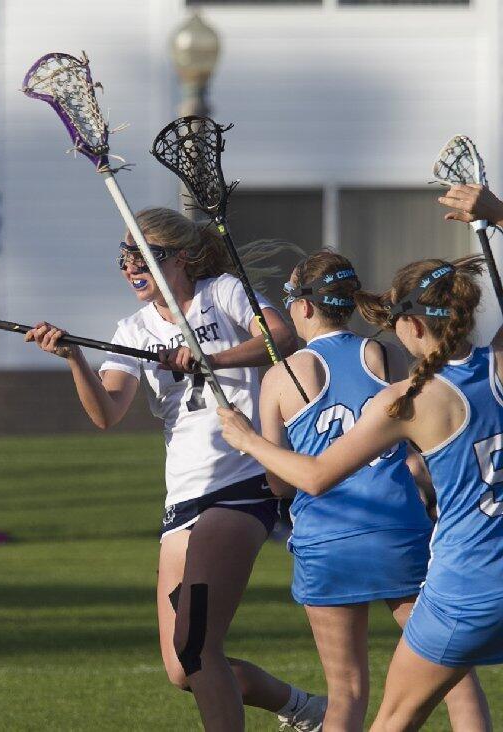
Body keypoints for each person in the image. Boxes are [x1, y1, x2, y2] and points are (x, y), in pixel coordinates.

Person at [24, 207, 325, 731]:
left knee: (198, 644)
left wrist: (212, 359)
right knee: (182, 668)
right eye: (123, 258)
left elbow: (282, 340)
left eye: (143, 255)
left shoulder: (224, 293)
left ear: (180, 257)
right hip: (181, 500)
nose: (130, 267)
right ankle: (304, 708)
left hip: (238, 484)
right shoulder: (133, 329)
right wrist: (73, 357)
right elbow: (107, 412)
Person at [219, 249, 501, 730]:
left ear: (411, 325)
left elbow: (306, 478)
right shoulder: (490, 363)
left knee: (372, 707)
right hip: (412, 537)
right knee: (459, 689)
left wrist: (247, 440)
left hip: (457, 582)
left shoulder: (408, 399)